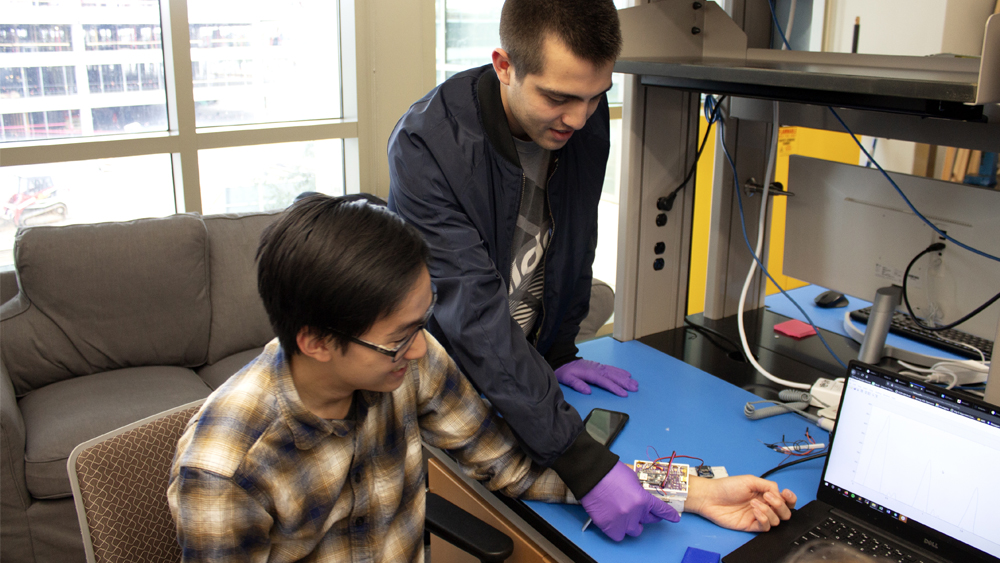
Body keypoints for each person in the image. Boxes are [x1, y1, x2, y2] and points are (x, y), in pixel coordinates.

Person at [167, 195, 798, 560]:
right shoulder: (225, 473)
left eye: (422, 323)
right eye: (398, 338)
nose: (421, 351)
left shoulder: (404, 365)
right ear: (316, 341)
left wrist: (690, 490)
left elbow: (515, 464)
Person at [387, 0, 650, 539]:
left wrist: (555, 354)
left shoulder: (580, 120)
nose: (579, 118)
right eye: (558, 97)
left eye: (596, 96)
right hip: (449, 381)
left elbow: (575, 243)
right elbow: (472, 315)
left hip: (523, 373)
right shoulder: (426, 146)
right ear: (505, 65)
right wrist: (581, 461)